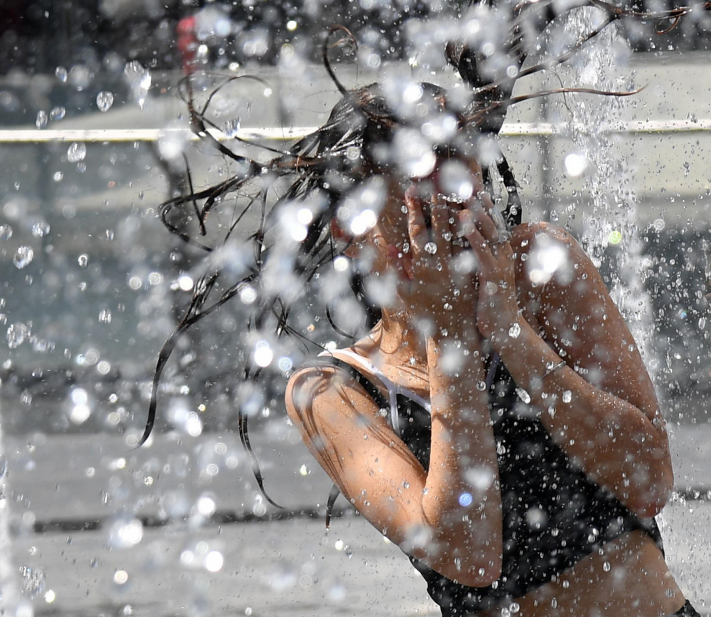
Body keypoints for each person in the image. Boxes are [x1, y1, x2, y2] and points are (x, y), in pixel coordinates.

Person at [148, 9, 707, 615]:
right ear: (354, 230)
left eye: (464, 190)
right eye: (422, 210)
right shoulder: (332, 391)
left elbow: (649, 481)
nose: (454, 223)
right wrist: (452, 342)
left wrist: (510, 333)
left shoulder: (542, 270)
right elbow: (467, 555)